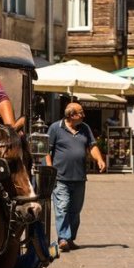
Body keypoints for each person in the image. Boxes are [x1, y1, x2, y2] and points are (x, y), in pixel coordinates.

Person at [46, 102, 106, 252]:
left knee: (75, 211)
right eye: (81, 112)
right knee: (62, 207)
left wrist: (99, 159)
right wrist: (50, 168)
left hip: (79, 177)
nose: (83, 115)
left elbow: (92, 146)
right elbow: (47, 150)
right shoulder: (55, 128)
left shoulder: (85, 128)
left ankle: (70, 238)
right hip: (60, 177)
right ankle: (63, 238)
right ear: (71, 115)